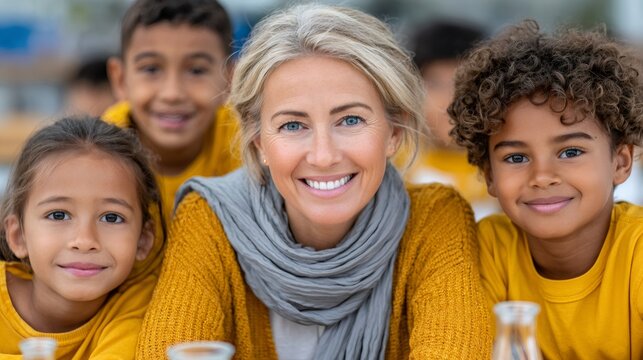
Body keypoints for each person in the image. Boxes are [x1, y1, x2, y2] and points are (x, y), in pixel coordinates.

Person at [137, 4, 492, 359]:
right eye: (293, 125)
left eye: (350, 120)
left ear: (394, 132)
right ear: (258, 141)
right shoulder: (209, 220)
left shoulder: (434, 220)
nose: (323, 156)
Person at [448, 19, 643, 359]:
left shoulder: (636, 255)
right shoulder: (487, 250)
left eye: (570, 152)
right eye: (516, 157)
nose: (542, 176)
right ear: (488, 175)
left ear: (621, 162)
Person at [0, 117, 165, 358]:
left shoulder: (138, 306)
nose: (85, 240)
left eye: (111, 218)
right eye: (58, 215)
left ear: (143, 239)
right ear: (18, 236)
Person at [104, 0, 240, 222]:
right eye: (151, 69)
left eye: (196, 70)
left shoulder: (249, 150)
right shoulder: (97, 158)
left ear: (229, 78)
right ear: (120, 79)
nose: (172, 93)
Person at [397, 19, 498, 219]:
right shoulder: (395, 163)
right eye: (435, 84)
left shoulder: (500, 167)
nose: (450, 100)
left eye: (463, 84)